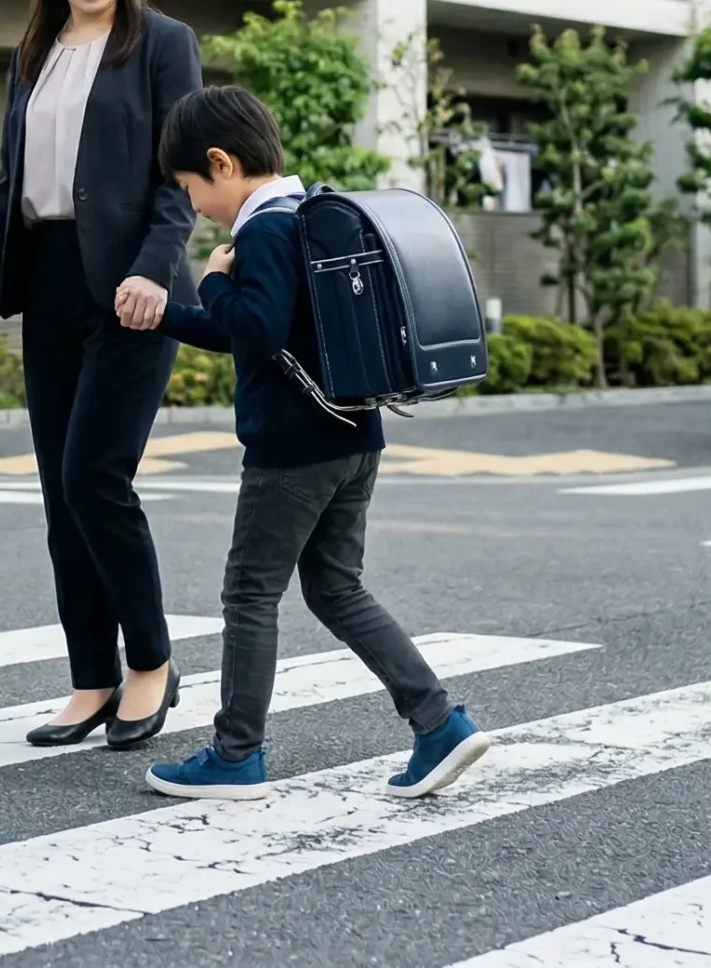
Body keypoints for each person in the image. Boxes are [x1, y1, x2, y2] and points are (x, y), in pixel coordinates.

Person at [139, 85, 492, 802]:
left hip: (292, 448)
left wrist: (209, 281)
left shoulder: (265, 231)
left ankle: (236, 754)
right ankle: (440, 724)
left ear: (221, 162)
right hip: (352, 435)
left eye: (191, 188)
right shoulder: (304, 217)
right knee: (335, 586)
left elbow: (257, 326)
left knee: (248, 590)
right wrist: (169, 317)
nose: (195, 205)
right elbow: (263, 332)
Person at [0, 0, 203, 751]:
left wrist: (152, 273)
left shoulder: (165, 44)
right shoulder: (35, 52)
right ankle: (90, 677)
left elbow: (180, 180)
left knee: (96, 476)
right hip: (52, 282)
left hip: (136, 291)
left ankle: (152, 662)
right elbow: (10, 187)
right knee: (62, 495)